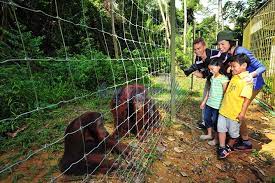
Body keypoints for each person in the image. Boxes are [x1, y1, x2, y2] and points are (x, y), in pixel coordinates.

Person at [216, 30, 266, 150]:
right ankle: (235, 134)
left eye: (223, 44)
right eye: (218, 44)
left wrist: (251, 75)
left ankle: (245, 141)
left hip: (251, 84)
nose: (220, 47)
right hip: (239, 85)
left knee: (239, 111)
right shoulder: (230, 53)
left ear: (230, 43)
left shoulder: (242, 51)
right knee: (233, 107)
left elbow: (262, 67)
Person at [180, 37, 227, 130]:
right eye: (195, 49)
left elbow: (223, 65)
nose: (197, 51)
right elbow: (202, 75)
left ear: (204, 46)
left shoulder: (215, 53)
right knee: (206, 99)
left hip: (222, 80)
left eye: (199, 48)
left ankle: (220, 125)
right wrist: (191, 71)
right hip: (211, 80)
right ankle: (205, 122)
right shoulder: (197, 58)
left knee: (221, 101)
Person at [217, 54, 253, 159]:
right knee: (221, 129)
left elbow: (246, 100)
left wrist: (242, 113)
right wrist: (232, 67)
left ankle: (230, 146)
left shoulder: (246, 81)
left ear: (244, 65)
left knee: (233, 133)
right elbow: (229, 69)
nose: (231, 68)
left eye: (234, 66)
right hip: (224, 110)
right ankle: (222, 147)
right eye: (231, 66)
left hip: (234, 113)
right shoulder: (235, 75)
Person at [199, 57, 229, 146]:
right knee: (207, 118)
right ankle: (209, 134)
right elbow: (209, 90)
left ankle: (216, 139)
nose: (211, 71)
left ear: (219, 67)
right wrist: (204, 101)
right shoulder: (212, 77)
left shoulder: (224, 79)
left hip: (217, 105)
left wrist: (223, 105)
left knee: (216, 122)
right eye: (210, 69)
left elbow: (225, 93)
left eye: (212, 69)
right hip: (209, 103)